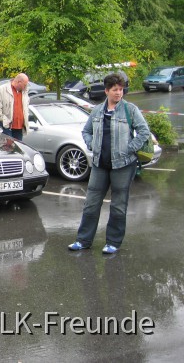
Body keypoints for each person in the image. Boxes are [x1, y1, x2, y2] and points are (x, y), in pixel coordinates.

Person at [68, 73, 150, 254]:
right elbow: (86, 131)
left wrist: (130, 148)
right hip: (99, 164)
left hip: (123, 165)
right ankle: (83, 240)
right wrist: (91, 145)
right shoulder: (97, 110)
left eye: (121, 89)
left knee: (118, 205)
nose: (119, 93)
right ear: (106, 91)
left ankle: (113, 242)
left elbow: (144, 131)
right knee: (91, 203)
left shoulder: (130, 110)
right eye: (115, 90)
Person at [0, 73, 29, 140]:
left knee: (18, 149)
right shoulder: (2, 90)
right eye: (25, 85)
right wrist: (4, 120)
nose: (25, 87)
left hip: (19, 128)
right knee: (8, 149)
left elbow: (26, 109)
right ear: (19, 82)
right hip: (6, 127)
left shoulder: (24, 93)